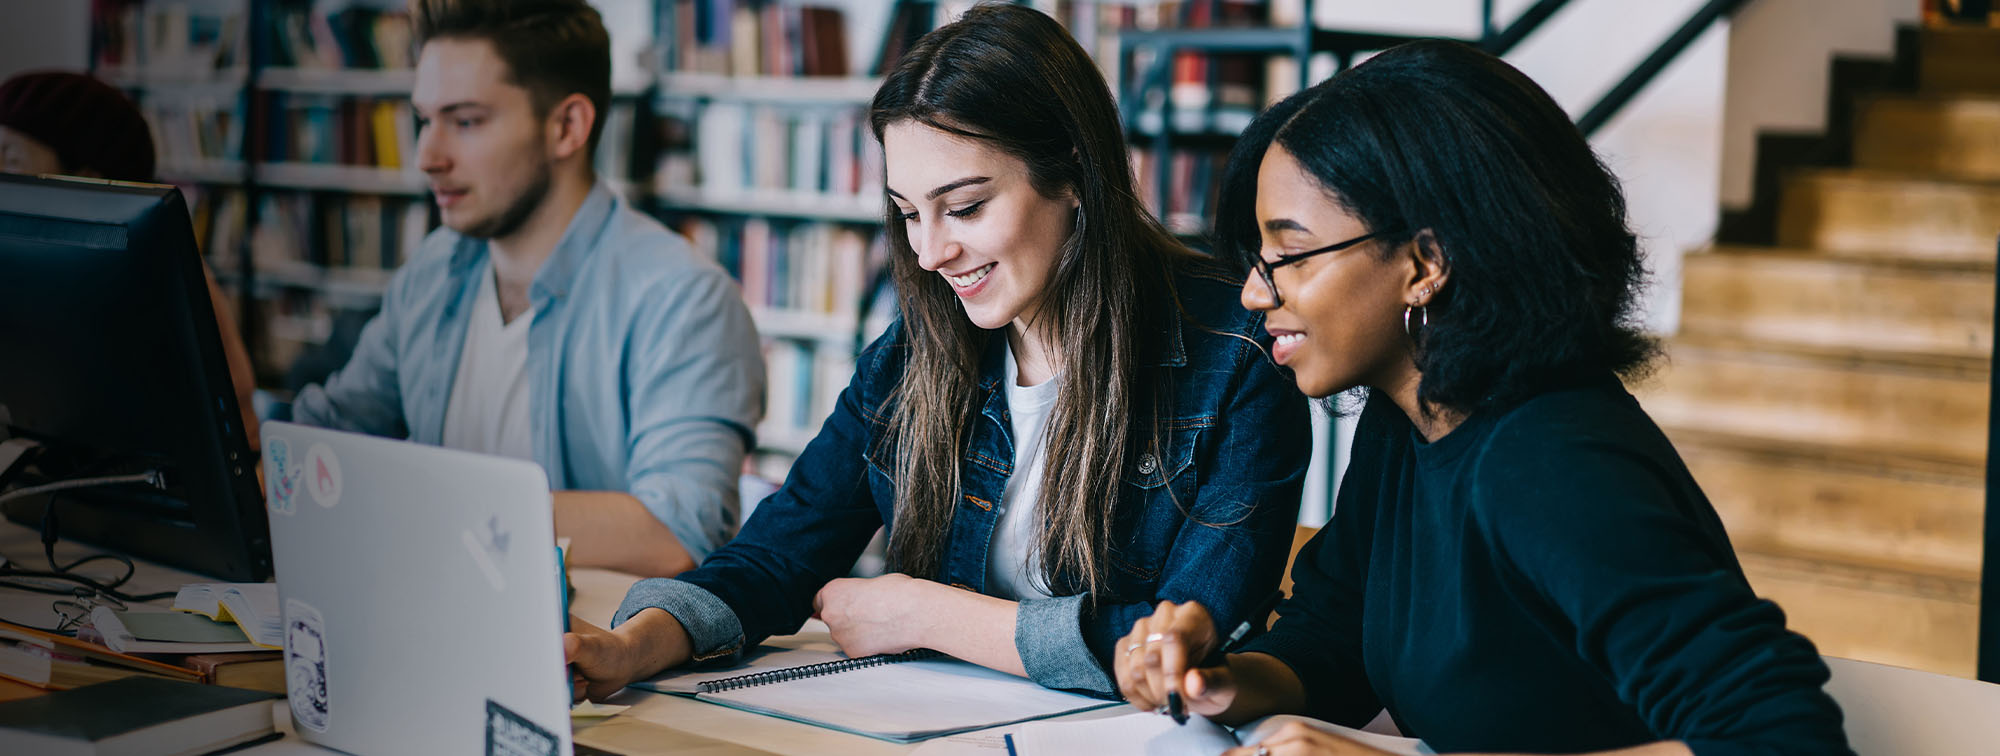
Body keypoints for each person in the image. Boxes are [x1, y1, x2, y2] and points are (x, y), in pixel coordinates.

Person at [1115, 41, 1854, 756]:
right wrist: (1212, 683)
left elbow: (1781, 739)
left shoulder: (1555, 459)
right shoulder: (1410, 421)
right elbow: (1331, 646)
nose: (1253, 292)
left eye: (1287, 255)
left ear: (1425, 263)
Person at [563, 4, 1309, 699]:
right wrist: (630, 648)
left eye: (966, 207)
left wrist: (925, 615)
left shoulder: (1240, 352)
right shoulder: (911, 354)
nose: (929, 253)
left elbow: (1177, 650)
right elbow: (775, 556)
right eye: (908, 213)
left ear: (1075, 174)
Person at [289, 0, 763, 577]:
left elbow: (677, 531)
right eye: (424, 119)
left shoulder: (684, 297)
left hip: (585, 653)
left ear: (567, 127)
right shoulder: (433, 270)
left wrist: (427, 509)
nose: (427, 157)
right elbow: (331, 435)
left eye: (464, 122)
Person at [0, 70, 260, 451]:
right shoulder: (22, 276)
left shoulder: (171, 287)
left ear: (85, 181)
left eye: (12, 161)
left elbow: (230, 440)